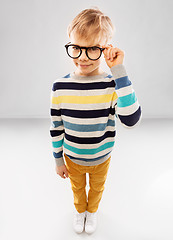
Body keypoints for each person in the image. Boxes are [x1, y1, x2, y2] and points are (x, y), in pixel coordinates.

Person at [49, 6, 142, 234]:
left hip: (102, 156)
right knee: (77, 188)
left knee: (97, 188)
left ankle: (92, 212)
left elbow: (131, 119)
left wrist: (119, 71)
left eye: (92, 49)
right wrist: (58, 159)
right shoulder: (60, 87)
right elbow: (56, 127)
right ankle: (80, 211)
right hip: (73, 157)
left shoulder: (113, 84)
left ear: (106, 48)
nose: (82, 57)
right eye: (77, 48)